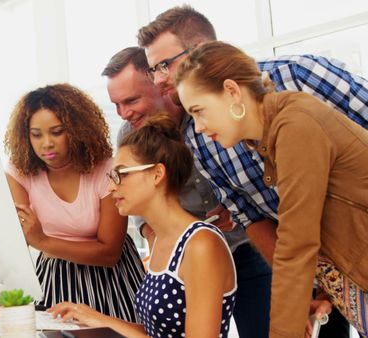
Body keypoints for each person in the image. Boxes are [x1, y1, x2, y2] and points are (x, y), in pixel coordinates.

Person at [137, 5, 368, 337]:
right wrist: (315, 291)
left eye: (164, 64)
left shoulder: (295, 104)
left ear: (230, 90)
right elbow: (261, 222)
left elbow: (296, 240)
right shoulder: (236, 137)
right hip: (345, 273)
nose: (198, 128)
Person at [103, 46, 270, 338]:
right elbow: (149, 222)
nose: (124, 113)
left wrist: (233, 212)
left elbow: (256, 182)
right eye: (116, 104)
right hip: (184, 252)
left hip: (246, 244)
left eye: (130, 100)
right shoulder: (130, 138)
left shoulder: (208, 117)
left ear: (159, 85)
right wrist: (168, 246)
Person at [50, 115, 237, 338]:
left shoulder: (201, 244)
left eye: (120, 174)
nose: (110, 187)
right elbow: (157, 333)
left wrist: (103, 321)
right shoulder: (160, 241)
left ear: (157, 174)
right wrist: (97, 318)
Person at [3, 83, 145, 322]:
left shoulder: (107, 170)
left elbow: (109, 252)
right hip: (54, 278)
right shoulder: (19, 173)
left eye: (56, 132)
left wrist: (44, 241)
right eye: (36, 134)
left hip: (112, 280)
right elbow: (21, 239)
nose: (46, 143)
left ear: (77, 130)